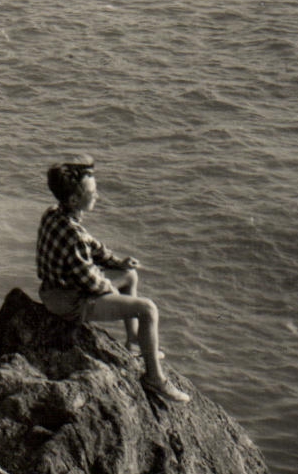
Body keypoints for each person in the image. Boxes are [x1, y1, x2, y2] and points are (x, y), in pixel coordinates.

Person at [35, 158, 189, 402]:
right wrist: (115, 295)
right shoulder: (74, 236)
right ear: (75, 200)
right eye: (93, 192)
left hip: (54, 289)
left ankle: (134, 342)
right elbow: (93, 283)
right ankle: (155, 379)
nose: (98, 196)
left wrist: (117, 262)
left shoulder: (55, 213)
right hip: (68, 302)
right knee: (148, 309)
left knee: (129, 275)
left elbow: (92, 247)